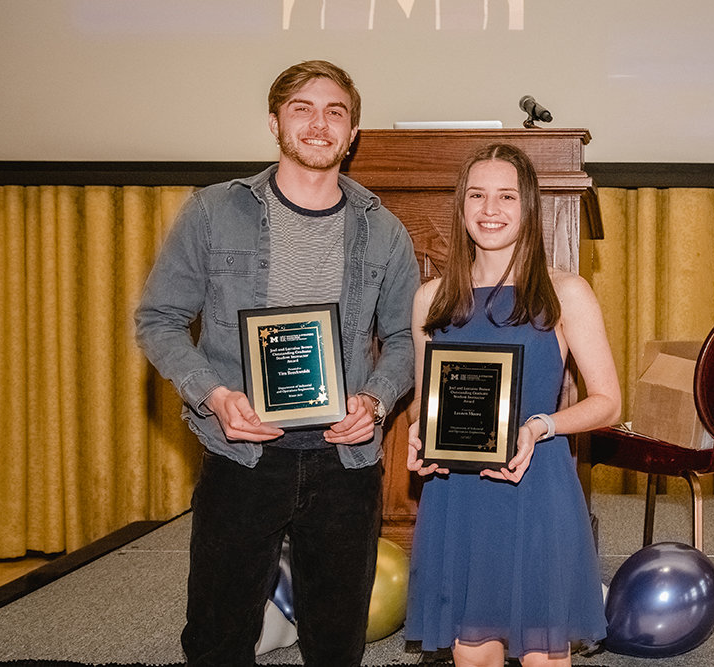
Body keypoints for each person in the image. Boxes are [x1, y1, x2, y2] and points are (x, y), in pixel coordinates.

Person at [134, 60, 419, 667]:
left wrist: (374, 400)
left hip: (345, 460)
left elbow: (403, 340)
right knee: (218, 633)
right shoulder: (214, 212)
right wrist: (213, 394)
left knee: (337, 641)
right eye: (302, 109)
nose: (320, 124)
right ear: (274, 122)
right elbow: (158, 320)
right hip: (243, 454)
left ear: (353, 134)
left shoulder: (385, 231)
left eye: (335, 112)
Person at [404, 144, 622, 666]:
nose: (489, 209)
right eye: (476, 195)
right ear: (461, 208)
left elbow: (608, 403)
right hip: (456, 492)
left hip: (535, 485)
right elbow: (421, 403)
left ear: (528, 208)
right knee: (471, 648)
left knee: (544, 653)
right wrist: (419, 433)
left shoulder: (565, 293)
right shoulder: (430, 299)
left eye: (505, 196)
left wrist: (541, 425)